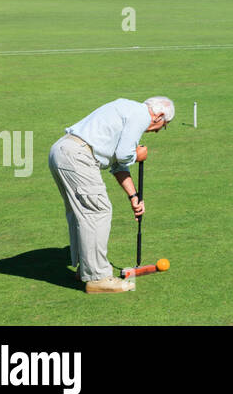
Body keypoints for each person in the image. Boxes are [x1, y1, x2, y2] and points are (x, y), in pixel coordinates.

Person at [48, 96, 174, 293]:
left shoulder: (129, 111)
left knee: (82, 212)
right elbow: (125, 155)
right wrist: (137, 155)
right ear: (158, 116)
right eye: (164, 125)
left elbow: (118, 165)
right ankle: (98, 278)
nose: (158, 131)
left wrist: (134, 197)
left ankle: (87, 270)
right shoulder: (140, 115)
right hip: (78, 156)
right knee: (98, 211)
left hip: (62, 151)